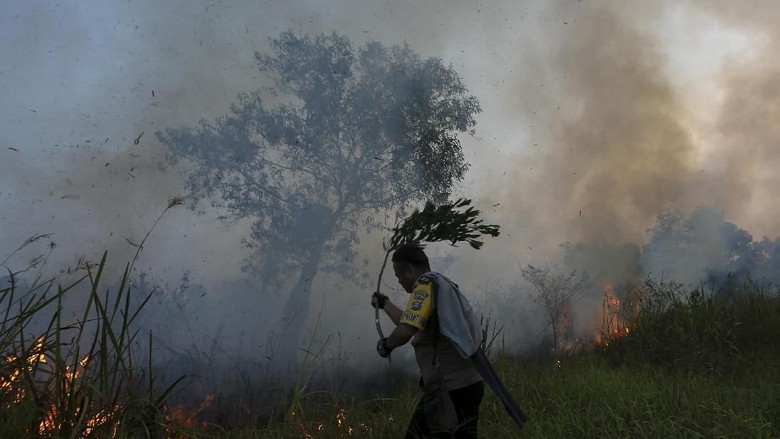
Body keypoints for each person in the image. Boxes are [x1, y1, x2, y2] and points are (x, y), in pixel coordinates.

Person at [372, 244, 484, 438]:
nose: (399, 282)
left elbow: (405, 331)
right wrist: (386, 304)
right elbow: (410, 321)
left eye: (399, 277)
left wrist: (386, 346)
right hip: (468, 383)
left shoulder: (425, 288)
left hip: (450, 389)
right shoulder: (440, 285)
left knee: (417, 435)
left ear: (410, 270)